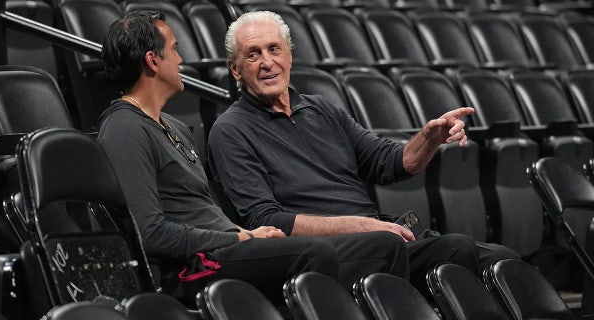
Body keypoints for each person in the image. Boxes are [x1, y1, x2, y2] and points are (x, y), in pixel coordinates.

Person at [97, 11, 409, 304]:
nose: (180, 59)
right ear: (153, 60)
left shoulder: (175, 126)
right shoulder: (124, 127)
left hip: (222, 248)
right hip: (192, 266)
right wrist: (239, 237)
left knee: (361, 247)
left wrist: (241, 237)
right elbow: (150, 233)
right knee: (314, 252)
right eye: (174, 50)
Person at [208, 10, 520, 295]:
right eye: (253, 54)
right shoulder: (230, 130)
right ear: (236, 70)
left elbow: (389, 163)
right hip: (325, 254)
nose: (267, 62)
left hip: (379, 239)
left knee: (500, 260)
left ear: (289, 55)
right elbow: (267, 219)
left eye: (274, 49)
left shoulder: (323, 109)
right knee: (440, 247)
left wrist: (429, 137)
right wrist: (363, 225)